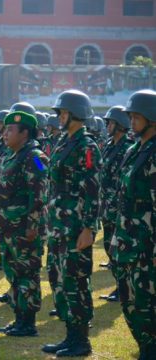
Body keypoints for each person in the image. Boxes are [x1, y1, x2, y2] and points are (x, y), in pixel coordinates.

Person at [43, 90, 101, 357]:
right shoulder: (63, 143)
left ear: (77, 115)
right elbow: (48, 171)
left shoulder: (86, 146)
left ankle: (81, 341)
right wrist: (31, 156)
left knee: (76, 283)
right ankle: (70, 336)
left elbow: (92, 189)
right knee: (59, 280)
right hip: (58, 225)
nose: (59, 117)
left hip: (76, 227)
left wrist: (89, 228)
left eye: (63, 113)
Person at [0, 111, 48, 337]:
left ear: (25, 133)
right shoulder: (10, 155)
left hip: (25, 229)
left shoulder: (35, 157)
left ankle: (28, 322)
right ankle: (18, 318)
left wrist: (32, 226)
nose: (5, 134)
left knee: (27, 274)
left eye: (11, 130)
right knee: (13, 273)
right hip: (8, 228)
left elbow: (40, 194)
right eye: (4, 129)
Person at [109, 89, 156, 360]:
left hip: (147, 244)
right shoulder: (132, 149)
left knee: (146, 302)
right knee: (130, 302)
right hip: (127, 239)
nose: (131, 121)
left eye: (136, 116)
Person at [97, 105, 135, 302]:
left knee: (119, 250)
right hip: (106, 207)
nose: (107, 125)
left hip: (118, 207)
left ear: (120, 125)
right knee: (108, 246)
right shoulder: (109, 145)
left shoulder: (128, 148)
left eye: (111, 122)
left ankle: (124, 288)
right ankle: (121, 286)